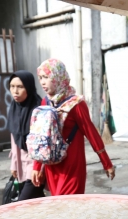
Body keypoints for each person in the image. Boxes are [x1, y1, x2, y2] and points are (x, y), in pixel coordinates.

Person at [31, 59, 115, 195]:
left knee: (70, 208)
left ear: (58, 77)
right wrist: (37, 167)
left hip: (72, 167)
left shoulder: (76, 104)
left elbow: (91, 134)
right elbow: (42, 137)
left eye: (46, 77)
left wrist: (107, 163)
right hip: (52, 166)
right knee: (58, 208)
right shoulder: (45, 101)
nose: (42, 82)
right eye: (40, 78)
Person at [7, 70, 45, 201]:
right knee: (37, 202)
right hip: (22, 164)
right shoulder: (14, 108)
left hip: (36, 165)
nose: (15, 91)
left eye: (20, 87)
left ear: (28, 87)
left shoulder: (39, 109)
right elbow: (14, 139)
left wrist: (38, 167)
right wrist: (14, 164)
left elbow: (43, 143)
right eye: (12, 86)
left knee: (22, 204)